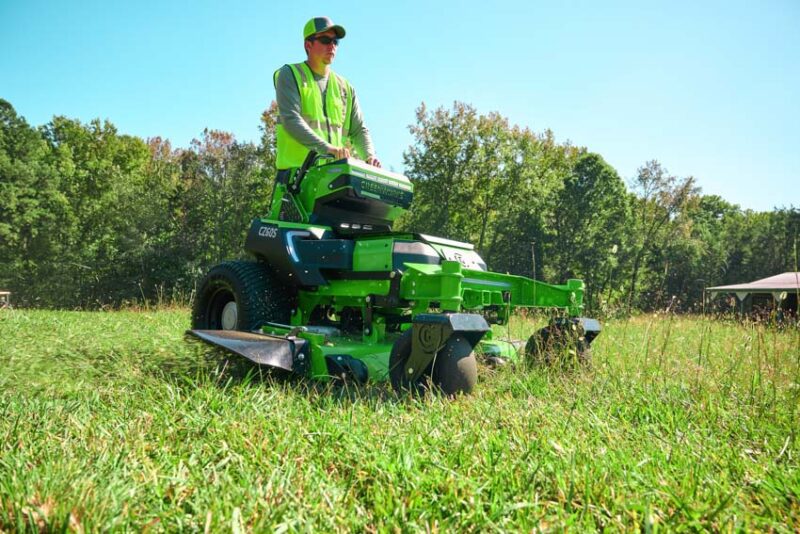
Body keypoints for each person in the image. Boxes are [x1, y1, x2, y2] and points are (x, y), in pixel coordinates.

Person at [274, 16, 381, 171]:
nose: (332, 46)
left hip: (330, 177)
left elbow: (359, 130)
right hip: (295, 178)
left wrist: (370, 156)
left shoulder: (345, 88)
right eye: (325, 40)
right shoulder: (290, 74)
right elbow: (290, 119)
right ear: (308, 45)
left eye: (335, 41)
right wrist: (327, 149)